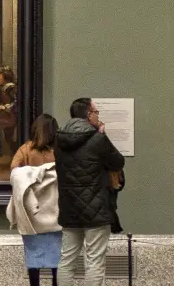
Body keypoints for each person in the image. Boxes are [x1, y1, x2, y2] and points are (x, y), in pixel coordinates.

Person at [55, 98, 125, 286]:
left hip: (69, 207)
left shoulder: (59, 140)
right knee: (94, 261)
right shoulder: (97, 139)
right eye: (96, 112)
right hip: (96, 209)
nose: (98, 115)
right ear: (88, 115)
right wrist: (103, 134)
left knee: (67, 259)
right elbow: (118, 162)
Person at [7, 114, 61, 286]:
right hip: (54, 209)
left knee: (33, 253)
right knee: (57, 254)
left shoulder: (25, 149)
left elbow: (14, 170)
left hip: (32, 212)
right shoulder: (59, 150)